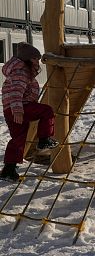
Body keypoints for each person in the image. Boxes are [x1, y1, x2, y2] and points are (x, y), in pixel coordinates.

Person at [0, 42, 59, 182]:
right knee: (46, 111)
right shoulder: (21, 72)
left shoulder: (21, 71)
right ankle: (44, 139)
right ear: (27, 59)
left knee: (18, 139)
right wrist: (18, 110)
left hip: (13, 109)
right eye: (35, 59)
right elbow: (15, 92)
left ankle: (8, 169)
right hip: (20, 107)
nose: (37, 62)